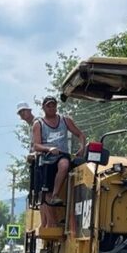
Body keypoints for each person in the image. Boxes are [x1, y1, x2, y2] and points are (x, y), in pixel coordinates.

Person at [32, 96, 85, 228]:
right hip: (47, 159)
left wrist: (82, 148)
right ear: (43, 107)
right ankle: (51, 223)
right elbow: (36, 146)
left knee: (64, 164)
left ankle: (56, 194)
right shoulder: (39, 124)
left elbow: (80, 134)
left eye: (53, 105)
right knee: (45, 193)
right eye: (48, 106)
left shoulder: (65, 120)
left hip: (62, 155)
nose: (51, 108)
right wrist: (49, 148)